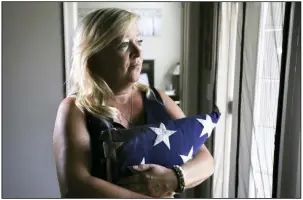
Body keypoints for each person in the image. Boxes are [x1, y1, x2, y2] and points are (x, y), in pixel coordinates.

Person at [53, 8, 214, 198]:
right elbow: (76, 185)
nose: (138, 52)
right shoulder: (75, 109)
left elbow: (206, 160)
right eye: (123, 45)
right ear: (94, 56)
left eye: (139, 41)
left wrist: (174, 178)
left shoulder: (158, 98)